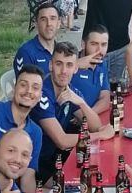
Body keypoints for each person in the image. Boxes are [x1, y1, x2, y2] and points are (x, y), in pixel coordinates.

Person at [32, 41, 114, 180]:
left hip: (58, 158)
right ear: (51, 65)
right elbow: (62, 141)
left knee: (100, 174)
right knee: (87, 183)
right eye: (59, 64)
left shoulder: (71, 91)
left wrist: (81, 102)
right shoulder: (42, 93)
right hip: (38, 164)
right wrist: (100, 135)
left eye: (69, 65)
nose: (64, 71)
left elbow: (95, 126)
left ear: (76, 68)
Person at [0, 65, 46, 167]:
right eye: (23, 85)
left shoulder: (35, 132)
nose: (29, 91)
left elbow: (28, 174)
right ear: (14, 88)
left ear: (40, 96)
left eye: (35, 87)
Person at [14, 1, 59, 77]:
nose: (49, 24)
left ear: (59, 23)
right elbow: (23, 86)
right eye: (43, 19)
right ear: (36, 24)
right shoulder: (26, 52)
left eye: (53, 18)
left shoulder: (60, 50)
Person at [72, 25, 112, 111]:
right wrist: (75, 65)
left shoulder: (102, 63)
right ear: (83, 44)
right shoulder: (69, 66)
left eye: (104, 45)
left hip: (89, 119)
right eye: (94, 44)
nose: (99, 50)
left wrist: (88, 115)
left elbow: (105, 98)